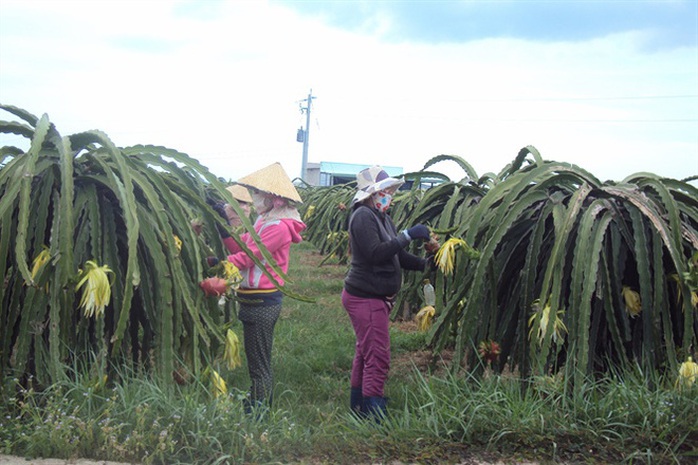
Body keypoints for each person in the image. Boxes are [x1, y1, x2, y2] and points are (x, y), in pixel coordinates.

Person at [342, 165, 438, 421]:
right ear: (373, 193)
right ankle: (374, 414)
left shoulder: (382, 216)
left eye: (390, 191)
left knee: (366, 353)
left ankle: (359, 408)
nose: (390, 195)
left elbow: (396, 253)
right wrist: (408, 235)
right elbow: (376, 253)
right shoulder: (362, 216)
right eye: (386, 191)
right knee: (378, 356)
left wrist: (424, 263)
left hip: (373, 297)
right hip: (366, 297)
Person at [216, 162, 306, 415]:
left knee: (259, 360)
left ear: (274, 199)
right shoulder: (265, 222)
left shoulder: (278, 228)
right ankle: (256, 403)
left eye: (258, 194)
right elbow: (240, 245)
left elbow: (248, 257)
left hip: (263, 300)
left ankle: (259, 410)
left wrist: (215, 265)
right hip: (254, 298)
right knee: (256, 355)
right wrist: (222, 227)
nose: (254, 199)